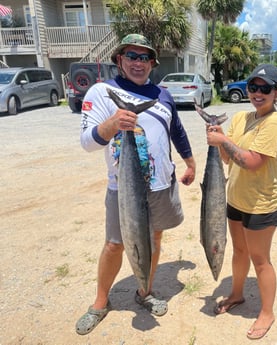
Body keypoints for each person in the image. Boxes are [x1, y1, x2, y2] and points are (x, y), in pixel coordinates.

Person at [75, 34, 196, 335]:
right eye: (132, 55)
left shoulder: (162, 94)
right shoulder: (102, 92)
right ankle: (100, 303)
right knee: (115, 244)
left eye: (145, 58)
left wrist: (190, 161)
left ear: (152, 63)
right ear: (119, 59)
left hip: (160, 185)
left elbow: (176, 131)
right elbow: (87, 142)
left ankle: (145, 291)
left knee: (154, 240)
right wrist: (113, 124)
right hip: (124, 189)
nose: (138, 63)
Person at [206, 64, 277, 340]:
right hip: (236, 200)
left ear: (276, 92)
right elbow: (229, 159)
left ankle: (267, 312)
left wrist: (222, 140)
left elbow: (252, 162)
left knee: (260, 259)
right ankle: (237, 294)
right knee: (239, 252)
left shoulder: (274, 123)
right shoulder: (241, 117)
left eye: (265, 88)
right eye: (253, 87)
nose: (258, 93)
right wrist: (220, 140)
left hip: (262, 204)